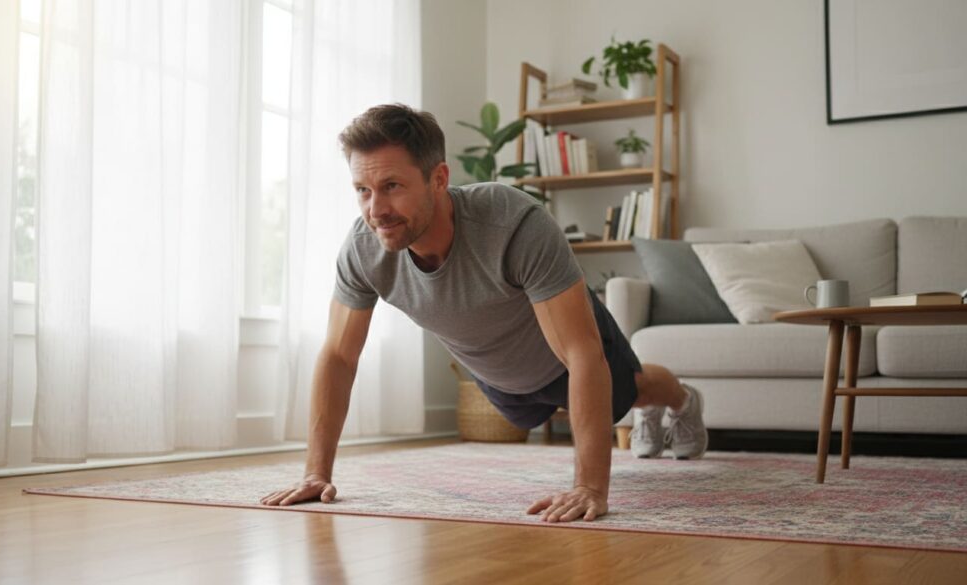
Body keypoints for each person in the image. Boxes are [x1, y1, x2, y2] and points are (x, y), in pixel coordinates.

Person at [259, 104, 706, 523]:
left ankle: (682, 400)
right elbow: (339, 356)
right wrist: (316, 473)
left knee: (635, 392)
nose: (376, 210)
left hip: (568, 356)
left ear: (438, 179)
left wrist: (590, 487)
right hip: (500, 378)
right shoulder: (363, 249)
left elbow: (581, 353)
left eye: (392, 186)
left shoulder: (513, 224)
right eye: (363, 190)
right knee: (526, 415)